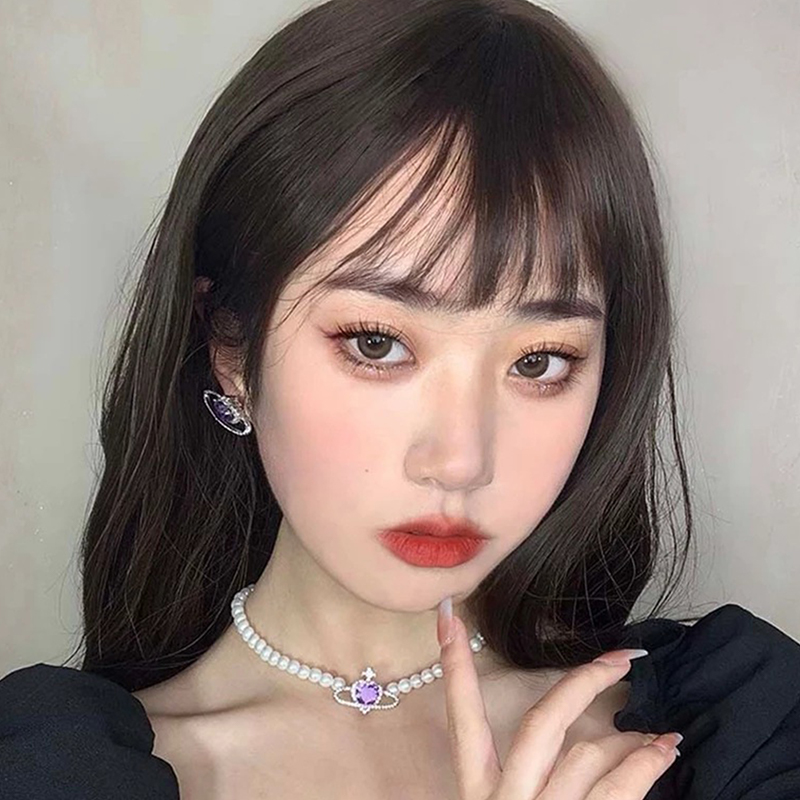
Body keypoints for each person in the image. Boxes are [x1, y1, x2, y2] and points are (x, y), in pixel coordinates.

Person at [1, 0, 798, 798]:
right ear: (230, 349)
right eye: (377, 344)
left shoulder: (740, 728)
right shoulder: (56, 770)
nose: (460, 460)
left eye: (540, 361)